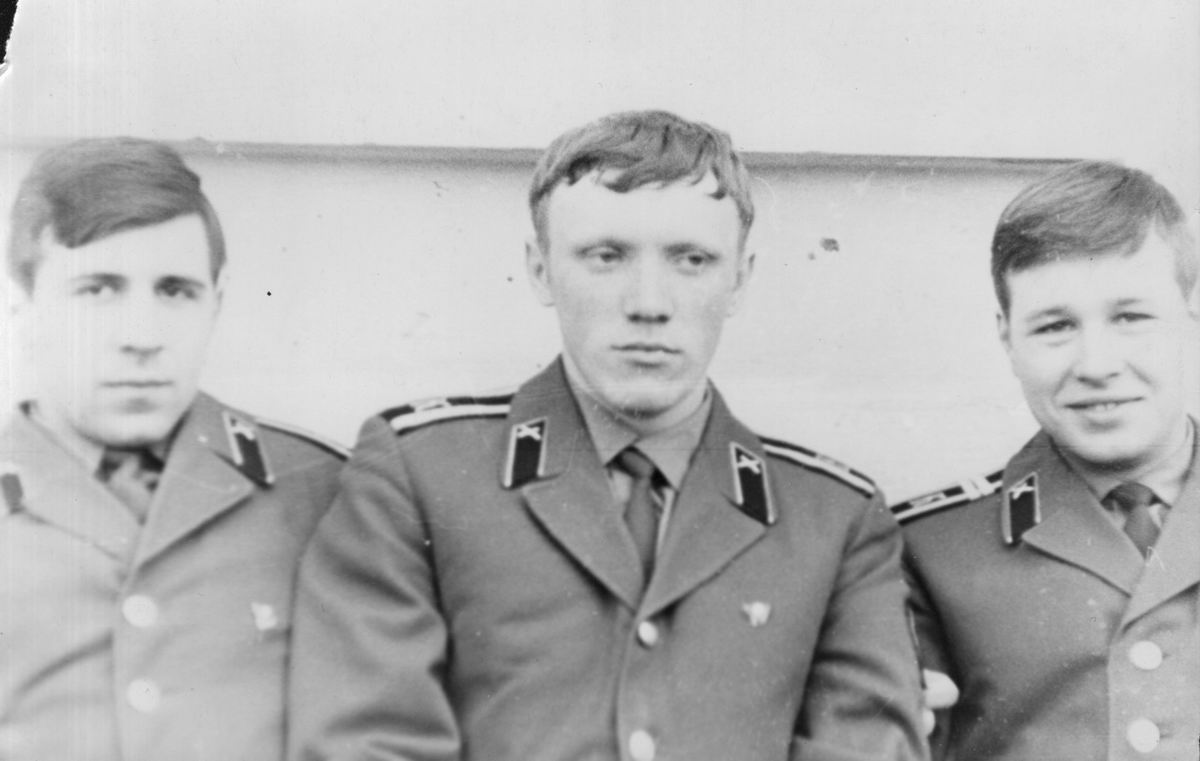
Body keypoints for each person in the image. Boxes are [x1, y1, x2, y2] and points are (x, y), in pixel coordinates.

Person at [288, 110, 927, 761]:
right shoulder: (422, 474)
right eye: (606, 256)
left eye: (692, 260)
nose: (648, 302)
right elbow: (367, 742)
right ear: (540, 269)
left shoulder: (833, 518)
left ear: (739, 278)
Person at [0, 137, 347, 761]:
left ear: (217, 302)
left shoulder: (318, 491)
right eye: (97, 290)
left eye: (176, 291)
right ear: (20, 307)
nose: (142, 336)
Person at [894, 160, 1200, 760]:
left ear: (1191, 316)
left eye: (1131, 317)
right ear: (1007, 338)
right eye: (1055, 326)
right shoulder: (927, 551)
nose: (1096, 365)